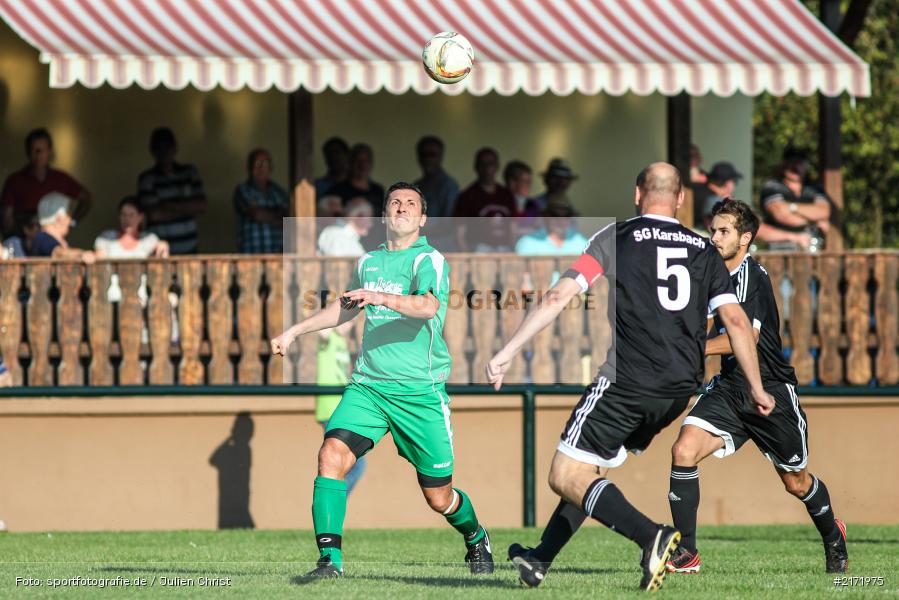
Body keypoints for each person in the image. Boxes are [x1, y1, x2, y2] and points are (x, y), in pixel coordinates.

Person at [488, 163, 773, 592]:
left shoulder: (615, 237)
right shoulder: (704, 250)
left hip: (628, 381)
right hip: (680, 388)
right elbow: (734, 319)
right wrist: (756, 385)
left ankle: (651, 537)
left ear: (638, 193)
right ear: (680, 198)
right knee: (589, 466)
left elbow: (559, 294)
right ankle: (540, 558)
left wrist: (508, 350)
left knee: (565, 474)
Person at [271, 182, 493, 578]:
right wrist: (294, 331)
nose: (402, 208)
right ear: (384, 215)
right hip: (369, 388)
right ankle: (330, 563)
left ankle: (476, 536)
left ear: (423, 218)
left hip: (419, 394)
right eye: (395, 203)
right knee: (331, 456)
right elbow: (345, 309)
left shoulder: (430, 260)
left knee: (439, 497)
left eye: (411, 204)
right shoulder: (368, 262)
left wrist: (379, 296)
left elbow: (427, 306)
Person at [666, 199, 847, 575]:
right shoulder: (708, 274)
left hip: (770, 392)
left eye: (723, 231)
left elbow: (739, 339)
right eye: (712, 230)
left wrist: (688, 346)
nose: (714, 237)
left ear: (745, 238)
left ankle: (833, 535)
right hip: (730, 390)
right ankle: (687, 554)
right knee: (684, 449)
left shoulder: (751, 277)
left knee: (796, 483)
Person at [2, 128, 91, 236]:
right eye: (34, 150)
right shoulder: (14, 181)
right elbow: (6, 220)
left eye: (41, 150)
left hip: (51, 244)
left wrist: (71, 222)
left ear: (49, 151)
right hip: (23, 244)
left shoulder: (60, 179)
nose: (38, 155)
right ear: (27, 152)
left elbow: (86, 198)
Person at [137, 127, 206, 255]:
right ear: (153, 150)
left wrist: (166, 205)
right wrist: (187, 209)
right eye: (160, 147)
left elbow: (201, 206)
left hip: (190, 249)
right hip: (159, 252)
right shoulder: (147, 178)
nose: (164, 152)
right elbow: (154, 215)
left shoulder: (189, 173)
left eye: (167, 146)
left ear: (175, 148)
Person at [758, 147, 831, 251]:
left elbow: (824, 211)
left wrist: (791, 208)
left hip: (810, 250)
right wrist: (813, 221)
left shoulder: (815, 188)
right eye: (792, 162)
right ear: (784, 165)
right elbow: (781, 215)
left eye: (800, 163)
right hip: (779, 252)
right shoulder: (772, 187)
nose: (795, 167)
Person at [453, 147, 516, 252]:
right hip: (479, 250)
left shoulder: (507, 195)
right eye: (483, 164)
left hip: (504, 250)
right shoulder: (467, 196)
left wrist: (513, 252)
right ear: (476, 167)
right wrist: (468, 257)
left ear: (497, 166)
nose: (487, 168)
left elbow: (513, 228)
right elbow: (459, 233)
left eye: (490, 164)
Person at [234, 148, 290, 254]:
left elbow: (289, 218)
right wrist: (279, 218)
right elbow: (257, 214)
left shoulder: (279, 192)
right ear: (248, 167)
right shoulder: (242, 190)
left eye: (265, 163)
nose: (261, 167)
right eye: (257, 163)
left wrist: (267, 215)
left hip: (278, 256)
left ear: (271, 168)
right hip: (251, 256)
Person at [414, 135, 459, 251]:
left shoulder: (449, 186)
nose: (428, 159)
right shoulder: (415, 187)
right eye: (424, 155)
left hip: (443, 249)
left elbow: (449, 224)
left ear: (440, 157)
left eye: (432, 155)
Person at [28, 193, 95, 263]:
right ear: (59, 218)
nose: (70, 220)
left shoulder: (44, 237)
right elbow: (57, 252)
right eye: (68, 214)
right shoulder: (42, 237)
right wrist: (81, 254)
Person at [94, 197, 169, 259]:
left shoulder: (150, 240)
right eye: (123, 214)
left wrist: (163, 247)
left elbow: (160, 261)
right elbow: (99, 261)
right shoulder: (106, 238)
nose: (127, 219)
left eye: (131, 215)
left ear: (140, 217)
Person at [514, 196, 587, 256]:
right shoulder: (528, 243)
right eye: (555, 215)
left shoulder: (581, 243)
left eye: (566, 216)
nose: (560, 220)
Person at [327, 144, 384, 217]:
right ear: (350, 163)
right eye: (358, 160)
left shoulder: (378, 191)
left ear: (371, 163)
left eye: (366, 160)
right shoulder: (337, 191)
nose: (362, 164)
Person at [698, 162, 742, 231]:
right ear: (728, 183)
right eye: (734, 181)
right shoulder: (713, 200)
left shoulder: (699, 190)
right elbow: (712, 227)